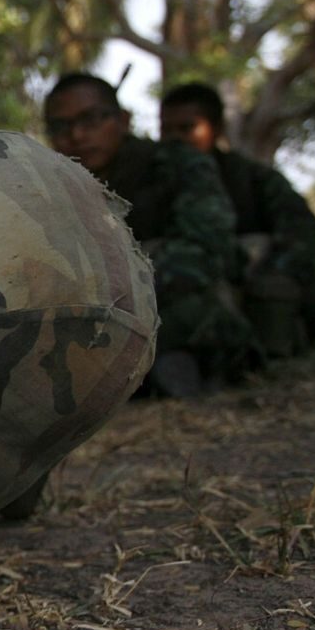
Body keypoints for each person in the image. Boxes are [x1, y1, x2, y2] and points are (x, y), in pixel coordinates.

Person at [43, 73, 259, 397]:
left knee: (204, 308)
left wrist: (114, 280)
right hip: (95, 316)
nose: (76, 135)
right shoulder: (52, 189)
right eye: (61, 127)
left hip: (168, 301)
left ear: (123, 120)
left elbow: (209, 247)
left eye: (90, 119)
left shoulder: (176, 163)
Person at [159, 83, 315, 356]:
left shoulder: (253, 179)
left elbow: (306, 239)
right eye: (167, 130)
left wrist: (260, 270)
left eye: (187, 129)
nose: (175, 140)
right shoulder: (158, 183)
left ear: (216, 128)